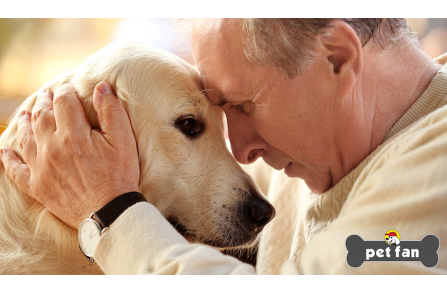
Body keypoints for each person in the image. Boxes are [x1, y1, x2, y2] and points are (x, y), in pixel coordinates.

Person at [1, 18, 447, 274]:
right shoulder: (310, 155)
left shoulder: (436, 164)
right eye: (219, 112)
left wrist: (109, 212)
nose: (243, 149)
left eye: (244, 105)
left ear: (336, 58)